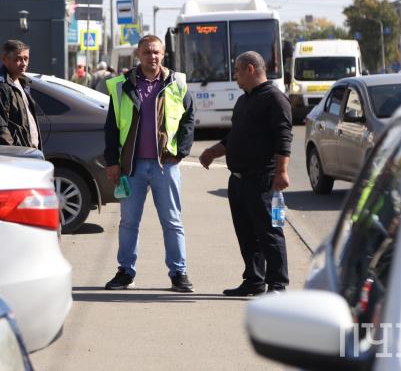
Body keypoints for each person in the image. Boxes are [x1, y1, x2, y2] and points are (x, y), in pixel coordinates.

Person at [103, 34, 196, 292]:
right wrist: (112, 162)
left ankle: (178, 273)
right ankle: (125, 272)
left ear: (163, 54)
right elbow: (111, 128)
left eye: (156, 52)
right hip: (131, 167)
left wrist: (182, 151)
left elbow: (189, 118)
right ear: (138, 55)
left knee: (172, 221)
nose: (151, 56)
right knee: (128, 222)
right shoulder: (122, 85)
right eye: (146, 52)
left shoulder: (176, 83)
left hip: (165, 166)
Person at [199, 51, 292, 296]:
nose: (235, 77)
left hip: (263, 180)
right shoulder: (244, 100)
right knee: (247, 234)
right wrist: (212, 152)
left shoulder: (275, 99)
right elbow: (235, 136)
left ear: (250, 69)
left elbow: (283, 138)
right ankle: (254, 281)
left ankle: (278, 285)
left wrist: (282, 172)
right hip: (239, 181)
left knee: (270, 233)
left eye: (237, 72)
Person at [0, 39, 41, 149]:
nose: (24, 63)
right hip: (16, 153)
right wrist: (13, 153)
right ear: (4, 59)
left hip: (29, 151)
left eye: (26, 58)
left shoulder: (23, 82)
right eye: (18, 59)